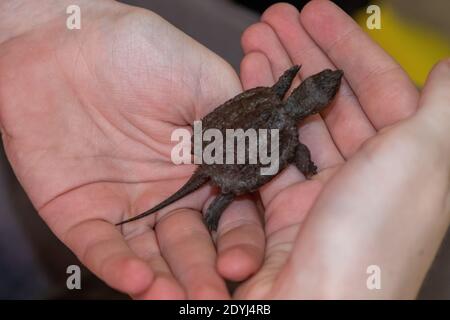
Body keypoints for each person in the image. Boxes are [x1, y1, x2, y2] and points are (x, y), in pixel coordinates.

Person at [0, 0, 448, 299]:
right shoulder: (290, 133)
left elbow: (278, 98)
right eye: (322, 84)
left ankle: (212, 212)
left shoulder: (277, 100)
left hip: (223, 141)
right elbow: (296, 153)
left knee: (223, 190)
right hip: (229, 161)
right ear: (315, 102)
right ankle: (212, 213)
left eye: (321, 85)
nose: (324, 85)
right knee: (223, 191)